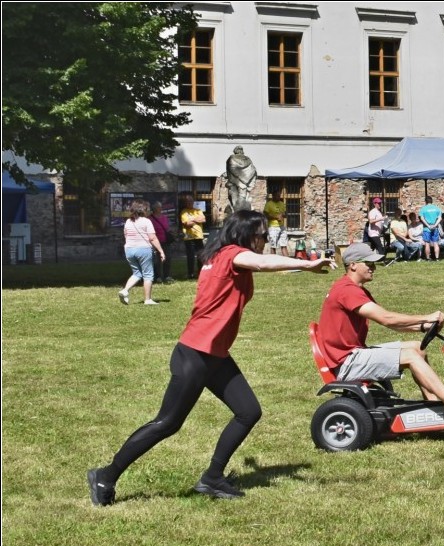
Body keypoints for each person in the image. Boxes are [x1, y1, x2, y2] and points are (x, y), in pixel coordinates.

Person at [87, 210, 333, 506]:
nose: (264, 241)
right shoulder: (231, 255)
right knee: (167, 423)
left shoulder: (218, 256)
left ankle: (212, 477)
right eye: (262, 236)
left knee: (248, 411)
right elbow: (264, 262)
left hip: (215, 354)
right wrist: (307, 264)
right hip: (195, 354)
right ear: (246, 235)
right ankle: (105, 474)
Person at [316, 242, 444, 421]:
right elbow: (387, 319)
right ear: (353, 265)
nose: (374, 268)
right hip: (346, 363)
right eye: (369, 263)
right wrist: (426, 317)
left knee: (418, 348)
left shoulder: (354, 289)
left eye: (374, 264)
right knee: (410, 356)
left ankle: (434, 404)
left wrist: (424, 327)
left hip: (351, 355)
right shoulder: (347, 291)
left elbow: (392, 324)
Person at [118, 201, 166, 306]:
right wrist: (161, 251)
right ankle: (147, 300)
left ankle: (125, 290)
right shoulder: (146, 221)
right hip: (143, 249)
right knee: (148, 274)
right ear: (143, 210)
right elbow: (152, 238)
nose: (149, 211)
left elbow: (126, 236)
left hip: (129, 250)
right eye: (147, 209)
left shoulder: (128, 222)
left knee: (137, 273)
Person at [180, 193, 206, 279]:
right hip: (188, 237)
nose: (189, 203)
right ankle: (190, 273)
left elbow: (203, 219)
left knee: (200, 255)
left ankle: (200, 272)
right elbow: (187, 224)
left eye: (191, 201)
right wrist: (197, 220)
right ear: (185, 203)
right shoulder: (184, 212)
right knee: (190, 256)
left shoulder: (198, 210)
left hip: (198, 236)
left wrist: (192, 219)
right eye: (187, 201)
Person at [149, 201, 175, 284]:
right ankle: (158, 276)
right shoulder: (150, 219)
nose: (161, 208)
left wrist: (170, 231)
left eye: (161, 207)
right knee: (157, 260)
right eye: (159, 207)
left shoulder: (164, 217)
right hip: (155, 242)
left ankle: (167, 275)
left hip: (166, 241)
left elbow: (168, 228)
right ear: (155, 209)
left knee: (167, 258)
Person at [226, 145, 257, 211]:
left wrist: (238, 176)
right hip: (245, 181)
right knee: (243, 196)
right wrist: (246, 178)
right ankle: (242, 210)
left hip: (235, 181)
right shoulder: (248, 159)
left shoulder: (231, 158)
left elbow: (231, 168)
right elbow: (253, 169)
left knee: (235, 197)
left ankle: (238, 211)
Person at [263, 189, 289, 256]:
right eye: (277, 196)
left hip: (282, 226)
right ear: (273, 196)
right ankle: (273, 262)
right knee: (273, 246)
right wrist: (276, 217)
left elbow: (286, 214)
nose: (278, 197)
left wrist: (283, 215)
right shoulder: (269, 204)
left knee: (284, 244)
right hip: (272, 227)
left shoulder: (282, 204)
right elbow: (265, 215)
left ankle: (288, 263)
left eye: (279, 195)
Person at [419, 196, 443, 261]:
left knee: (427, 243)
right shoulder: (437, 208)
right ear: (432, 201)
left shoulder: (423, 209)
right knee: (436, 243)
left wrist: (428, 225)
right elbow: (440, 218)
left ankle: (427, 258)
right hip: (435, 228)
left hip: (427, 228)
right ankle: (437, 258)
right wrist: (435, 225)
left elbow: (422, 218)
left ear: (425, 202)